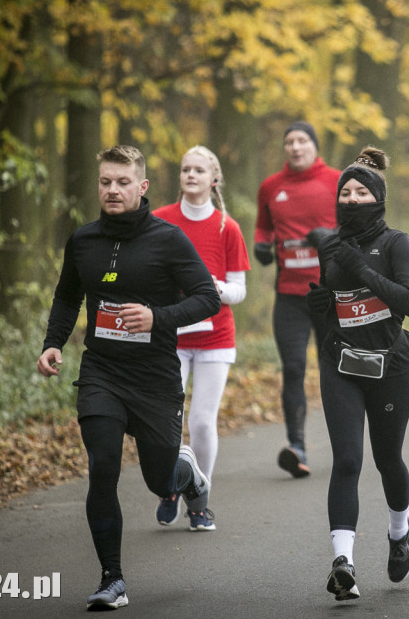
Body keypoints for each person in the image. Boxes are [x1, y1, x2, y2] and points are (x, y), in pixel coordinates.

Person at [36, 145, 221, 610]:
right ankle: (111, 579)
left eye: (122, 183)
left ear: (141, 187)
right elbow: (66, 297)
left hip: (156, 375)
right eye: (105, 182)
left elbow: (206, 299)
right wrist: (53, 342)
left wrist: (157, 317)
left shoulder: (169, 239)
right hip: (102, 371)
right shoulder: (83, 240)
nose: (112, 190)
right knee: (103, 468)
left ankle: (188, 478)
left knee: (160, 480)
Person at [304, 147, 409, 602]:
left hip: (390, 365)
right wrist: (322, 310)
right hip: (341, 364)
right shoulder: (328, 245)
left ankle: (399, 530)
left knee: (386, 459)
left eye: (361, 192)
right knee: (348, 461)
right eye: (345, 193)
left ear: (378, 198)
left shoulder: (396, 244)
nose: (352, 199)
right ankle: (343, 564)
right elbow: (333, 309)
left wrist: (359, 269)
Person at [152, 146, 250, 530]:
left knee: (203, 422)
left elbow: (240, 290)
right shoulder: (160, 221)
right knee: (166, 421)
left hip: (215, 336)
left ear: (214, 179)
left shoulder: (228, 227)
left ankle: (198, 497)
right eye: (185, 169)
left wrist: (213, 288)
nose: (190, 175)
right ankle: (169, 488)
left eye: (198, 170)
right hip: (168, 336)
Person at [254, 121, 342, 478]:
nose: (295, 146)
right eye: (289, 141)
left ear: (314, 146)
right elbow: (264, 226)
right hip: (289, 295)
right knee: (292, 369)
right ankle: (297, 447)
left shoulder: (336, 181)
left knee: (333, 370)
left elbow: (358, 226)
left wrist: (331, 237)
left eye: (302, 140)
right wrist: (261, 245)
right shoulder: (271, 187)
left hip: (330, 294)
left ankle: (343, 444)